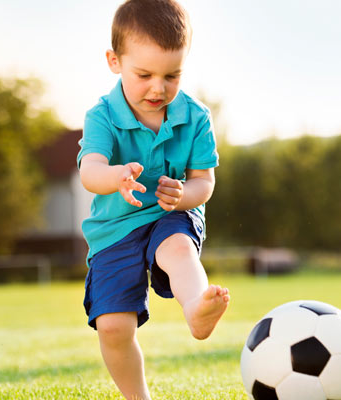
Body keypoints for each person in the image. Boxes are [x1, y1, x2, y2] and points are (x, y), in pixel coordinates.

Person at [77, 0, 230, 398]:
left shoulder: (195, 118)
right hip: (115, 228)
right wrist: (115, 175)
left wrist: (183, 197)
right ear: (114, 61)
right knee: (112, 326)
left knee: (177, 248)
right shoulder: (102, 116)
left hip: (169, 214)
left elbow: (204, 183)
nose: (158, 88)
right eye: (143, 74)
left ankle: (197, 308)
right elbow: (89, 171)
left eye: (172, 75)